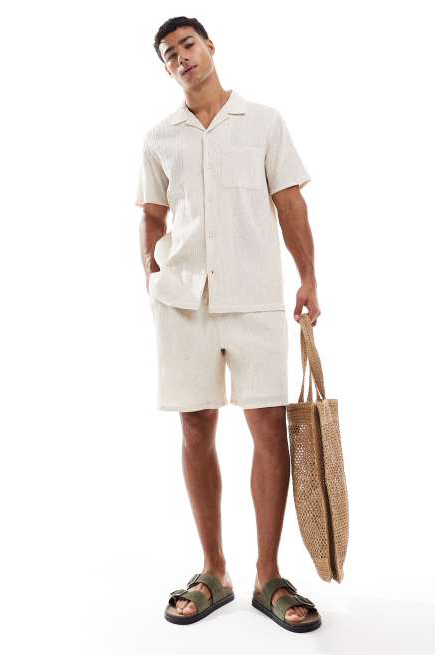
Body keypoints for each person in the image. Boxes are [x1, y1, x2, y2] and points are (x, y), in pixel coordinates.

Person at [135, 16, 322, 632]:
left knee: (268, 427)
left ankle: (268, 577)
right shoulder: (159, 137)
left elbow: (290, 202)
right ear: (166, 69)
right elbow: (152, 214)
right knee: (195, 429)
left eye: (188, 44)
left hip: (255, 297)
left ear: (210, 46)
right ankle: (214, 571)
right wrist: (150, 275)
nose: (181, 57)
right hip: (183, 300)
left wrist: (308, 278)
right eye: (169, 54)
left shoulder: (263, 122)